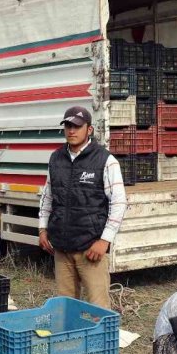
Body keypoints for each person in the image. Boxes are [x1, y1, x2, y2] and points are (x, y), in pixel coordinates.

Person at [38, 106, 128, 309]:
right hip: (61, 248)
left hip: (91, 249)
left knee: (98, 309)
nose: (72, 131)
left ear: (89, 130)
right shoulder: (56, 159)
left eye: (77, 126)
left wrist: (104, 241)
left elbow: (119, 202)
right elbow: (47, 197)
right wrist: (43, 228)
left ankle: (99, 341)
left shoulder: (106, 161)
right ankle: (69, 341)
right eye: (68, 126)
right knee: (65, 308)